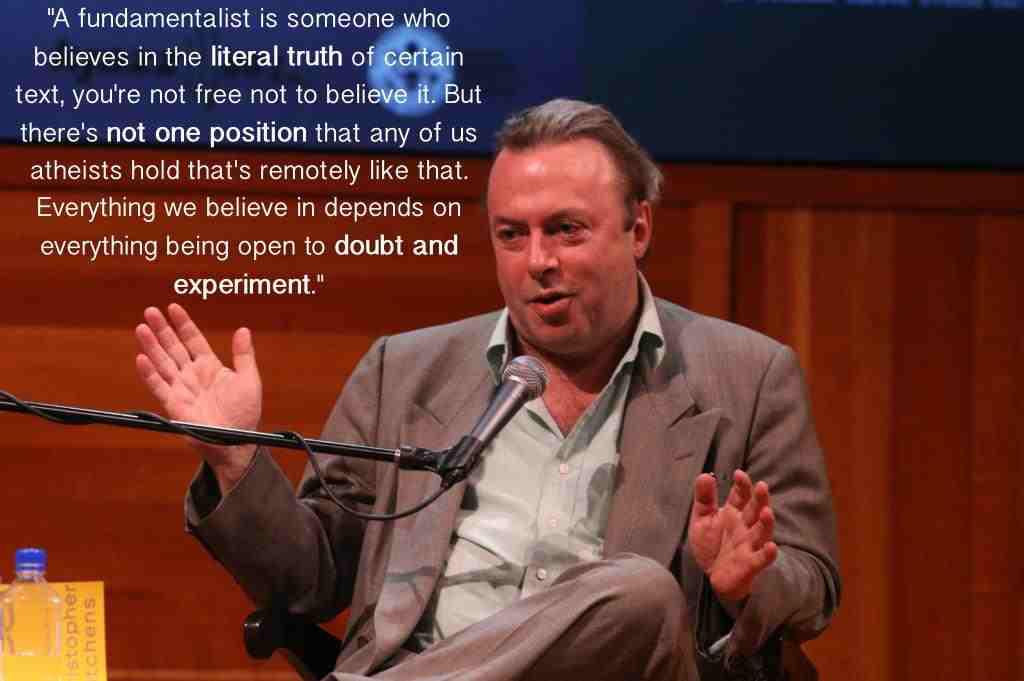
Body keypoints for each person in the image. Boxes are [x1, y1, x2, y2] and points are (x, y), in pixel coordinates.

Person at [135, 99, 839, 680]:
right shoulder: (404, 371)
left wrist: (748, 580)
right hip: (418, 657)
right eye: (511, 235)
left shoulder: (747, 376)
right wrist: (234, 458)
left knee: (644, 594)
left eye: (565, 230)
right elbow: (310, 581)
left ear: (639, 229)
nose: (538, 261)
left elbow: (813, 585)